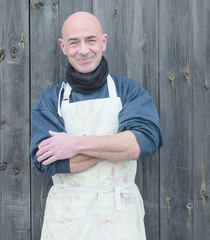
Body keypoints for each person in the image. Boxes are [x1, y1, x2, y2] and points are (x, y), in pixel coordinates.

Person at [29, 11, 164, 239]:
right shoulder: (50, 101)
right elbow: (50, 162)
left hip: (120, 218)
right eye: (74, 43)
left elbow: (144, 141)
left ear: (103, 42)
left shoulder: (128, 91)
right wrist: (117, 145)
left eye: (91, 40)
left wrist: (75, 144)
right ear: (63, 47)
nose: (83, 50)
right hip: (67, 219)